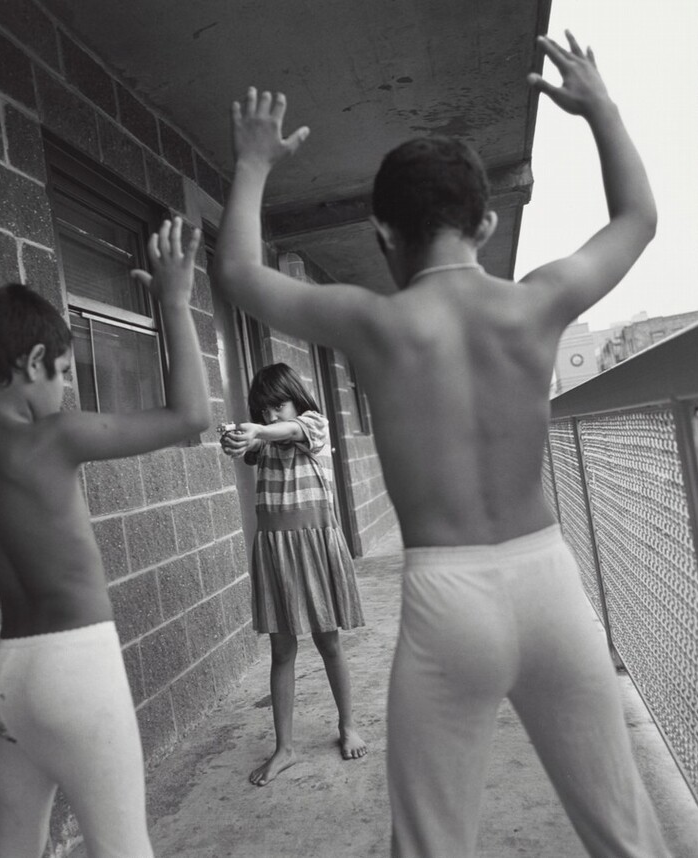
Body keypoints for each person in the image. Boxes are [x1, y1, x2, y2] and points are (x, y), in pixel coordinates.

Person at [213, 30, 672, 858]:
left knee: (429, 846)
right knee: (627, 836)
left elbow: (241, 275)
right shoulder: (534, 305)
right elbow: (637, 219)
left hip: (446, 597)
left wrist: (251, 162)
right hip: (547, 585)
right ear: (487, 221)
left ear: (382, 233)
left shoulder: (375, 324)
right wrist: (599, 107)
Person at [0, 217, 210, 858]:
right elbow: (191, 416)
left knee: (16, 843)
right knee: (123, 847)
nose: (66, 386)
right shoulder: (55, 437)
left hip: (8, 677)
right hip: (76, 669)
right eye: (63, 371)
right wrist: (175, 303)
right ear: (30, 364)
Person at [220, 362, 367, 786]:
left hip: (314, 544)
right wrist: (236, 437)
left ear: (295, 400)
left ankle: (347, 725)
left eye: (277, 405)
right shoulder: (263, 442)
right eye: (262, 410)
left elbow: (286, 431)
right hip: (274, 547)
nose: (270, 416)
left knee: (329, 641)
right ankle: (284, 747)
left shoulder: (312, 424)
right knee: (281, 650)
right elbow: (250, 447)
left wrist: (259, 430)